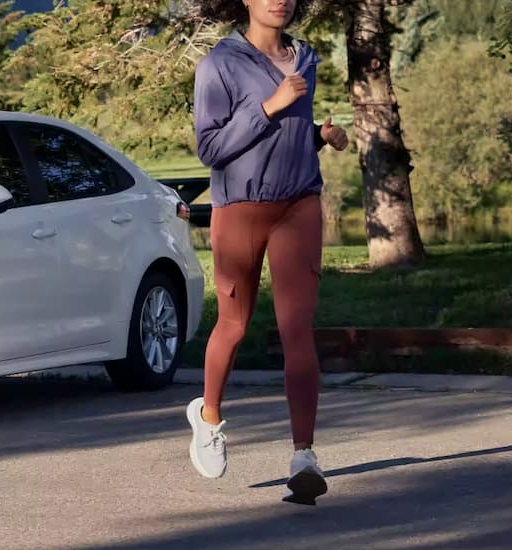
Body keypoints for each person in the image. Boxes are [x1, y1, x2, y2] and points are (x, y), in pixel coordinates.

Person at [185, 0, 350, 506]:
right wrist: (269, 106)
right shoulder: (219, 64)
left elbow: (287, 141)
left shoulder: (306, 58)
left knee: (297, 329)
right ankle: (209, 417)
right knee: (233, 325)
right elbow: (210, 148)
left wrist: (319, 136)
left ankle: (304, 455)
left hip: (298, 205)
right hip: (239, 208)